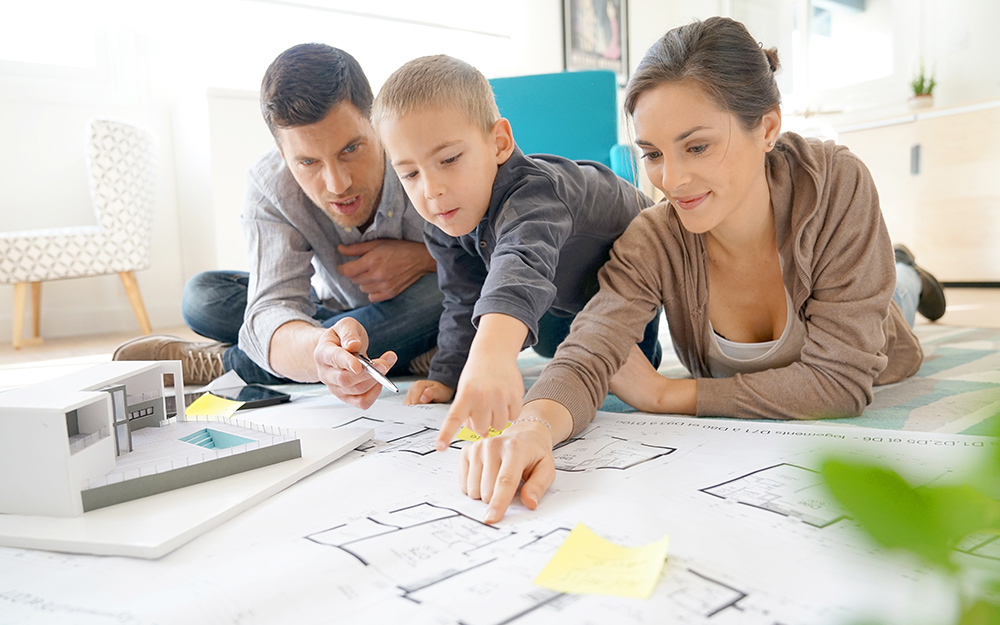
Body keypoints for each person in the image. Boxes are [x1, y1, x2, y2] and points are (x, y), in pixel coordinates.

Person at [459, 16, 948, 524]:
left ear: (768, 128)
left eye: (697, 146)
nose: (672, 180)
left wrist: (667, 393)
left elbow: (840, 384)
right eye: (652, 154)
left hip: (881, 328)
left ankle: (907, 270)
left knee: (898, 293)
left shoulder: (835, 184)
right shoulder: (655, 237)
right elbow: (586, 357)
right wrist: (533, 427)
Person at [325, 54, 661, 445]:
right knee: (551, 344)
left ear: (499, 143)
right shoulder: (445, 217)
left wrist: (491, 358)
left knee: (626, 373)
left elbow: (520, 264)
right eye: (411, 174)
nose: (431, 190)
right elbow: (462, 298)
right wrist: (448, 375)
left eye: (449, 159)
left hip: (642, 265)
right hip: (568, 293)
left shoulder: (536, 193)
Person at [113, 44, 443, 396]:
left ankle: (233, 364)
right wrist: (320, 348)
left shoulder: (419, 147)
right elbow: (273, 306)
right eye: (308, 162)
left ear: (375, 123)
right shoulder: (271, 184)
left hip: (430, 303)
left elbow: (495, 259)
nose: (337, 184)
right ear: (282, 153)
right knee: (202, 298)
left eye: (350, 149)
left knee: (443, 293)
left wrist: (427, 259)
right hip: (330, 311)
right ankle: (412, 354)